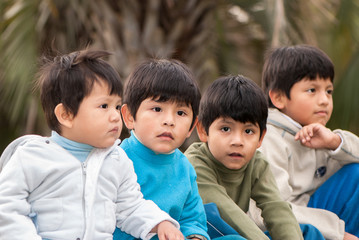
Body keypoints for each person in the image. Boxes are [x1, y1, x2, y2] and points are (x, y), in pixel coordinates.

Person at [0, 50, 183, 240]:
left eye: (117, 106)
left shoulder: (116, 160)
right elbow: (6, 206)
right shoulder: (32, 156)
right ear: (66, 115)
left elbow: (130, 206)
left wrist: (160, 223)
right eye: (104, 106)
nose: (115, 116)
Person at [185, 75, 316, 240]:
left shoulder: (257, 164)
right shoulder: (194, 164)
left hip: (235, 231)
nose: (238, 141)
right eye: (225, 129)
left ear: (261, 138)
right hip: (197, 234)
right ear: (203, 131)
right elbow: (224, 210)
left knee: (308, 233)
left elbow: (275, 208)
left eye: (248, 131)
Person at [256, 44, 359, 240]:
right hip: (279, 226)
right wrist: (339, 233)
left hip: (317, 217)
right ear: (278, 97)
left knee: (356, 174)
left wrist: (334, 141)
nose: (324, 100)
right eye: (312, 90)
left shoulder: (319, 135)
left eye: (329, 91)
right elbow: (271, 209)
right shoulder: (267, 139)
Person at [113, 59, 210, 240]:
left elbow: (191, 219)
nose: (169, 121)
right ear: (129, 117)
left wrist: (194, 237)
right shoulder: (116, 160)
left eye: (181, 113)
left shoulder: (185, 167)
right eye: (157, 108)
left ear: (191, 127)